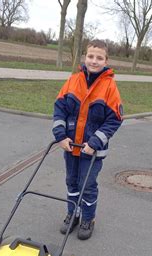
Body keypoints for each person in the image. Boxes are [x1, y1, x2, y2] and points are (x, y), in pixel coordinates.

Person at [52, 40, 123, 240]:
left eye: (99, 58)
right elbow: (59, 109)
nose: (94, 61)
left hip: (92, 151)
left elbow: (114, 119)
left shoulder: (110, 87)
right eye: (91, 56)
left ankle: (88, 218)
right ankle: (73, 213)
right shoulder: (73, 81)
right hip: (70, 146)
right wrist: (60, 136)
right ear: (85, 57)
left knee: (87, 185)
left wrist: (93, 143)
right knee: (72, 182)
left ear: (106, 61)